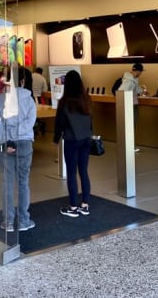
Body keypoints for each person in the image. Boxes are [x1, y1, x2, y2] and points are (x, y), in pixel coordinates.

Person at [0, 66, 36, 232]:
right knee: (23, 183)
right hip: (24, 143)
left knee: (7, 184)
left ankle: (8, 221)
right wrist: (17, 137)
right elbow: (30, 122)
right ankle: (24, 220)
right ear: (23, 81)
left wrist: (8, 139)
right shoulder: (29, 99)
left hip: (5, 144)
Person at [53, 69, 93, 218]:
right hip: (86, 139)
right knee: (84, 171)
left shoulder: (65, 102)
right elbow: (90, 120)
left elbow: (60, 123)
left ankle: (73, 207)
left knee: (71, 173)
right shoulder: (87, 99)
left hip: (71, 139)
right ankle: (85, 205)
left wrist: (56, 139)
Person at [119, 62, 143, 152]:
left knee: (131, 126)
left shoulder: (133, 79)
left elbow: (136, 89)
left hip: (133, 104)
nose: (141, 74)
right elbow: (121, 92)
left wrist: (141, 91)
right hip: (130, 106)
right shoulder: (129, 81)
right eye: (141, 72)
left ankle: (129, 146)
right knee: (130, 126)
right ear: (138, 71)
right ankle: (129, 147)